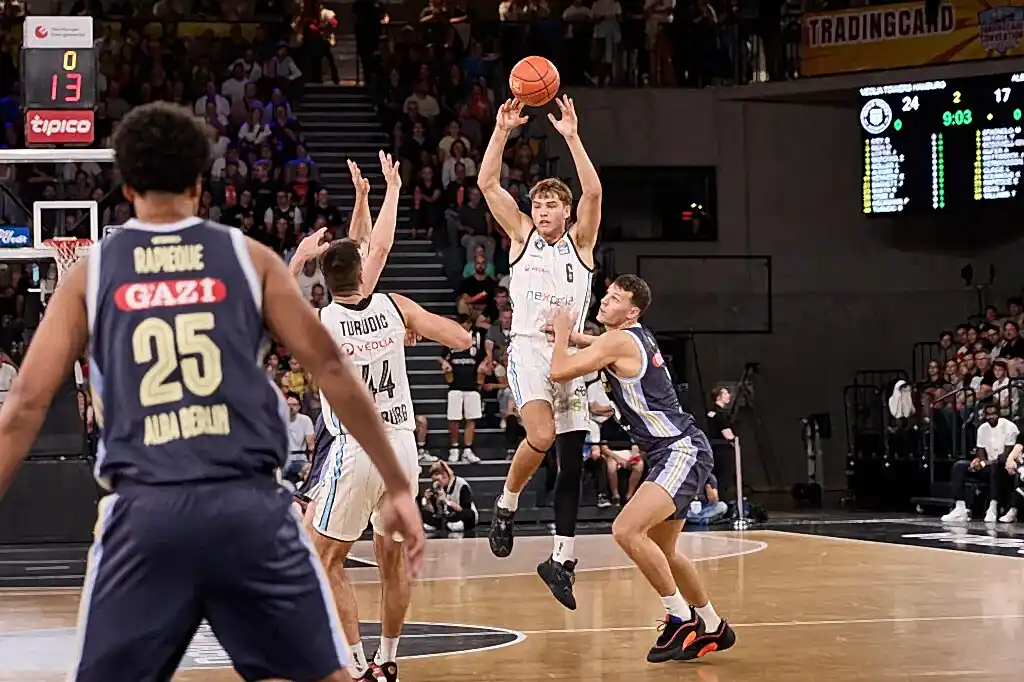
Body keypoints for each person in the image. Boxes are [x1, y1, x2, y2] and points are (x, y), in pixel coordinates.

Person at [0, 102, 425, 682]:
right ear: (202, 182)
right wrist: (397, 484)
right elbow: (330, 368)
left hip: (147, 512)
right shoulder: (246, 257)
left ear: (126, 185)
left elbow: (22, 407)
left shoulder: (90, 273)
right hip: (246, 510)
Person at [547, 274, 735, 662]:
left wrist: (563, 333)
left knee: (626, 529)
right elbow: (600, 345)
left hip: (678, 450)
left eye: (615, 299)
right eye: (607, 294)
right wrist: (578, 339)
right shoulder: (633, 336)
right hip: (676, 449)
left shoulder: (617, 339)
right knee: (665, 549)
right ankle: (713, 626)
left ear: (631, 311)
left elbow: (559, 371)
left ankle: (679, 618)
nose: (605, 301)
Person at [311, 237, 472, 682]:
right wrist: (401, 332)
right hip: (401, 447)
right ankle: (388, 659)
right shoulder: (393, 306)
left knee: (326, 560)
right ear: (363, 275)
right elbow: (460, 338)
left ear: (325, 283)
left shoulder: (321, 321)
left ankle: (359, 667)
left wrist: (301, 255)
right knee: (392, 559)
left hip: (357, 446)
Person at [478, 95, 602, 610]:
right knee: (544, 435)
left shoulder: (582, 245)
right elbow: (487, 184)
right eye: (537, 204)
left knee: (573, 461)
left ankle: (562, 558)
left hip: (570, 354)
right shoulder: (522, 236)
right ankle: (505, 505)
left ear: (566, 211)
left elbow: (593, 189)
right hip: (530, 350)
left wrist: (572, 135)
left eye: (552, 204)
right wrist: (502, 130)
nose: (542, 210)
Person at [442, 313, 486, 464]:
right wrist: (444, 363)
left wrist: (483, 364)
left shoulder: (478, 337)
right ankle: (454, 448)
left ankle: (467, 450)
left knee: (471, 418)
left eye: (466, 324)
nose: (464, 327)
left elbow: (485, 355)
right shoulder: (449, 337)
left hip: (473, 383)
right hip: (455, 383)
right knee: (454, 418)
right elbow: (441, 356)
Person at [421, 460, 479, 532]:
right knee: (422, 514)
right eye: (434, 481)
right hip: (445, 516)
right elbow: (435, 512)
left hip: (460, 514)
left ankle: (448, 526)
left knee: (468, 515)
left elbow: (464, 509)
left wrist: (446, 501)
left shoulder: (461, 484)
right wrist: (426, 500)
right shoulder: (436, 487)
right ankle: (445, 526)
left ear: (445, 475)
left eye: (437, 480)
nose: (436, 483)